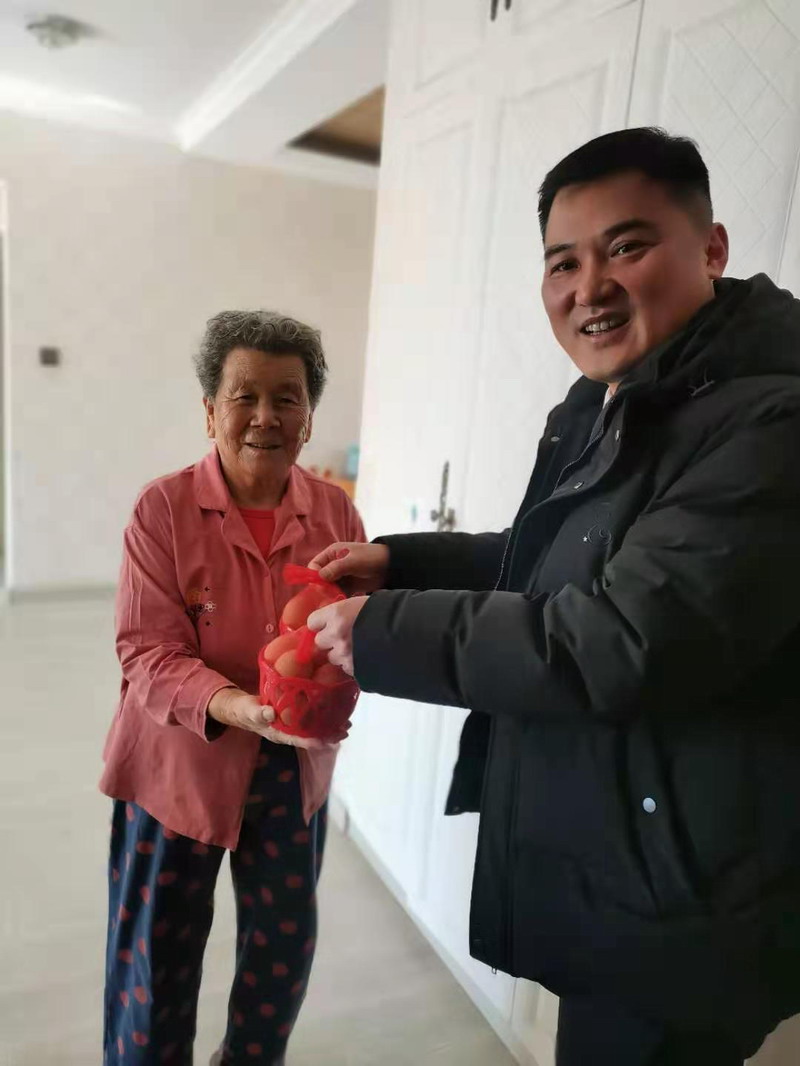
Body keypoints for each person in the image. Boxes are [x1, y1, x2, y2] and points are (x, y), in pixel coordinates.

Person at [307, 128, 800, 1065]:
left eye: (627, 247)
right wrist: (401, 563)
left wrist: (382, 631)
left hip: (683, 889)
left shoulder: (772, 422)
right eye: (563, 262)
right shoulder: (607, 399)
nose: (589, 288)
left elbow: (622, 635)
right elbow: (557, 564)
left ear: (712, 248)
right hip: (617, 846)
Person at [100, 311, 365, 1065]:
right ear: (210, 410)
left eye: (287, 397)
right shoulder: (163, 508)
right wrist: (239, 706)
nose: (265, 417)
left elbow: (350, 632)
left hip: (291, 769)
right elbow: (146, 650)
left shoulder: (335, 512)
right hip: (178, 767)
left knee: (280, 956)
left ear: (309, 417)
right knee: (156, 964)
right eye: (244, 396)